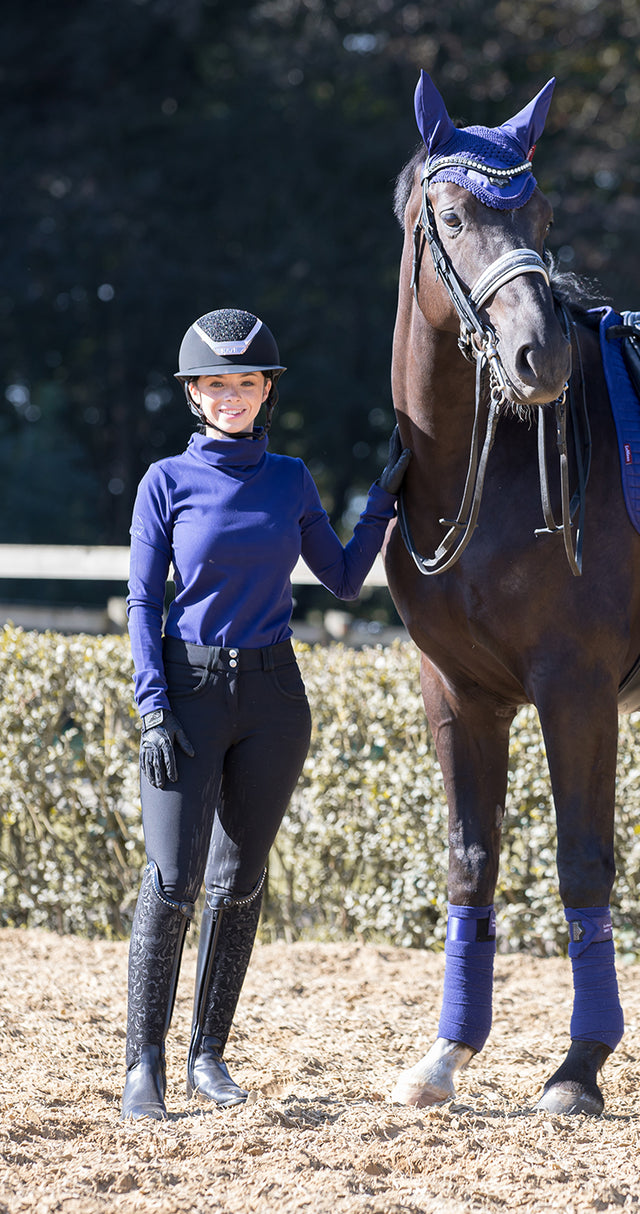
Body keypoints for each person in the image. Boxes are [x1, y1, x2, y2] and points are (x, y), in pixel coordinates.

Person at [121, 307, 409, 1121]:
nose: (232, 395)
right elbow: (144, 601)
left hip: (275, 696)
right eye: (217, 383)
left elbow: (347, 577)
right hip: (188, 690)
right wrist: (152, 708)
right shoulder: (164, 483)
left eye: (246, 382)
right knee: (174, 882)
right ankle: (143, 1065)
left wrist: (387, 496)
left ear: (265, 390)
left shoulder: (290, 479)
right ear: (194, 394)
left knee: (239, 882)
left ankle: (207, 1058)